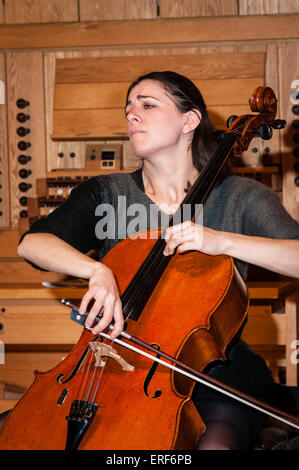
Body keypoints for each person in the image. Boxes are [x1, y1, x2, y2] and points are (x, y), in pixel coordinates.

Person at [17, 71, 299, 450]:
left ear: (190, 120)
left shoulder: (240, 197)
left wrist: (221, 241)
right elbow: (31, 244)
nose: (132, 114)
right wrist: (97, 270)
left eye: (147, 105)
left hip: (215, 376)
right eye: (129, 108)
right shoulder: (107, 193)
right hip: (110, 370)